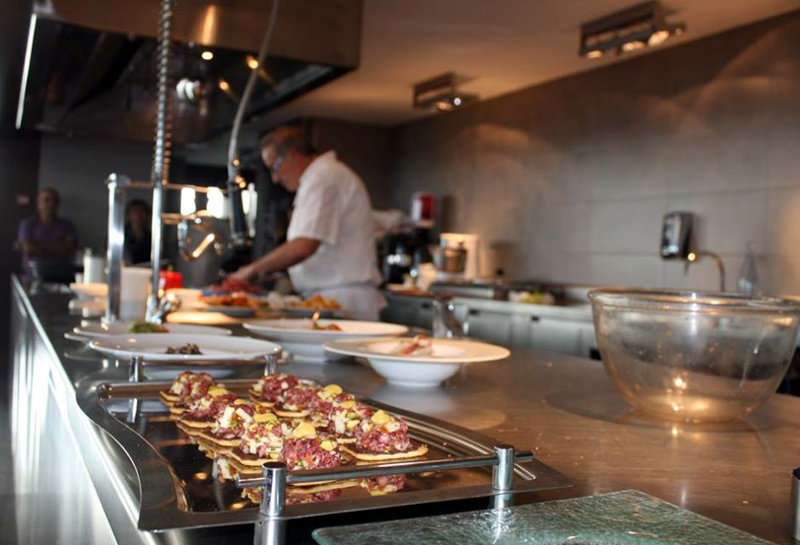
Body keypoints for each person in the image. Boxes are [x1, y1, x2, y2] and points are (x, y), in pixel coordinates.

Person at [231, 126, 385, 320]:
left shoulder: (324, 176)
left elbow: (305, 245)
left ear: (293, 154)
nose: (275, 178)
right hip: (332, 298)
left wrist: (252, 269)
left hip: (341, 301)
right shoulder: (322, 176)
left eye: (274, 167)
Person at [17, 187, 77, 277]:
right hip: (32, 275)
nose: (51, 204)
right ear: (38, 202)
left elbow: (70, 249)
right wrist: (58, 249)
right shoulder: (27, 224)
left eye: (55, 201)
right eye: (47, 200)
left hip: (60, 275)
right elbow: (29, 249)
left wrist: (39, 247)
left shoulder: (67, 225)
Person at [124, 199, 152, 265]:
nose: (138, 215)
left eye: (141, 211)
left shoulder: (152, 238)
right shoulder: (118, 236)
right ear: (129, 215)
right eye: (135, 211)